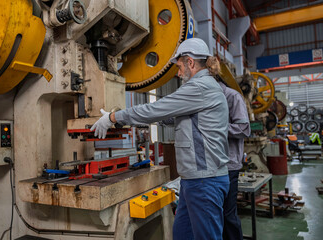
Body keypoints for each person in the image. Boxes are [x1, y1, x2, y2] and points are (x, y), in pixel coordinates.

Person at [91, 38, 230, 240]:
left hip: (204, 181)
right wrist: (144, 120)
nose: (178, 72)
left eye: (180, 66)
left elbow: (155, 108)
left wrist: (113, 117)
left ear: (190, 62)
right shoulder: (205, 87)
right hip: (194, 180)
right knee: (182, 233)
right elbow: (176, 117)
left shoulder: (199, 87)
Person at [217, 79, 250, 240]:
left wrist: (216, 127)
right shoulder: (209, 97)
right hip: (212, 165)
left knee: (228, 215)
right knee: (217, 215)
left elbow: (244, 129)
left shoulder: (232, 96)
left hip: (229, 165)